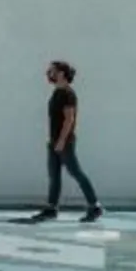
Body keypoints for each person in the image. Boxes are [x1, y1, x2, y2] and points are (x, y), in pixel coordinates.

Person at [29, 60, 102, 224]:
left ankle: (95, 206)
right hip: (54, 141)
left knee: (76, 172)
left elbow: (69, 119)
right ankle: (51, 208)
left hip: (64, 142)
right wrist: (54, 141)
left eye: (52, 71)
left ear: (61, 73)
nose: (49, 74)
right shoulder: (57, 92)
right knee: (54, 176)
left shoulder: (68, 94)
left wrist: (62, 141)